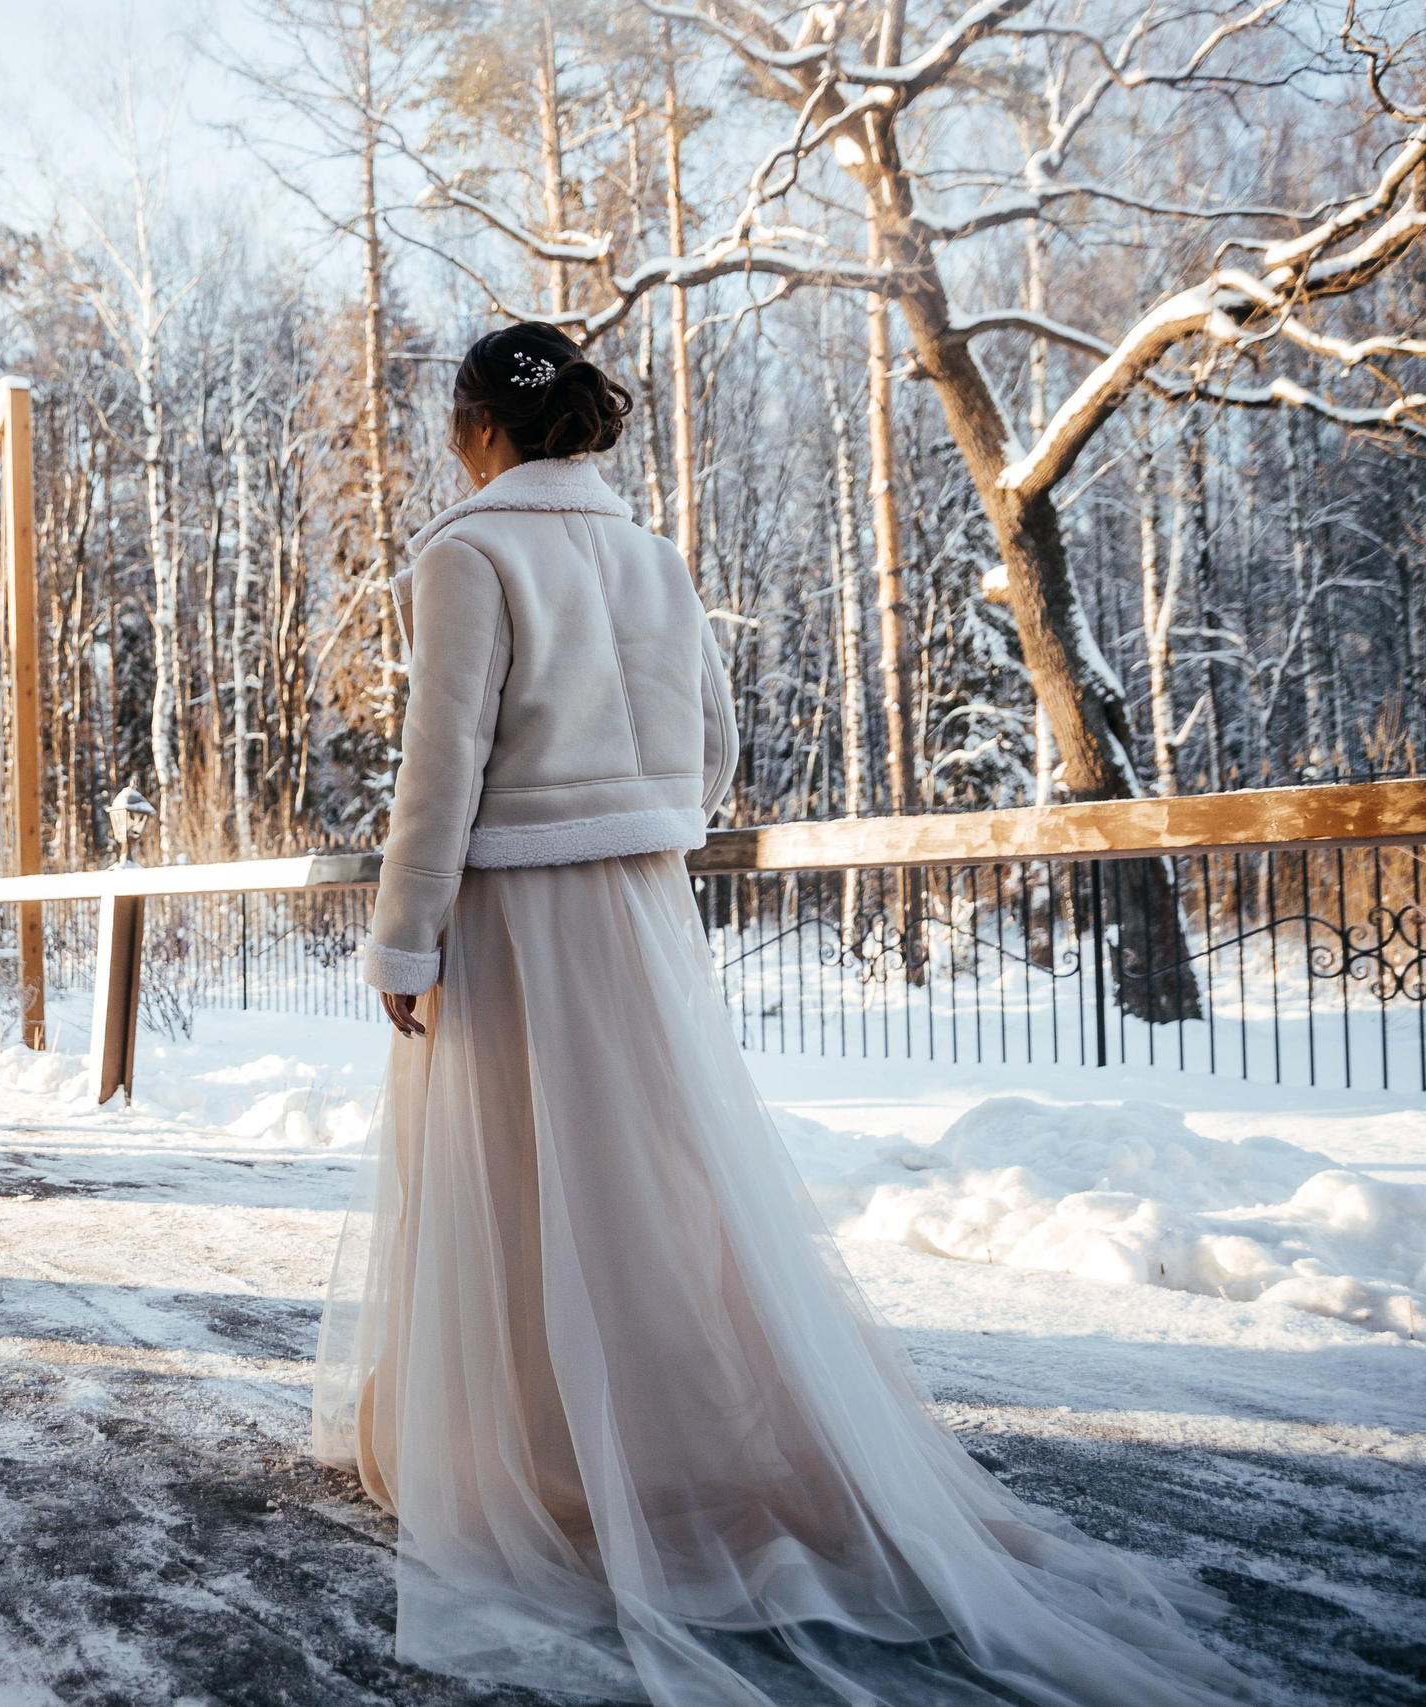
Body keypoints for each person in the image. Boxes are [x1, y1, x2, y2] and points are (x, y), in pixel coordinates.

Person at [314, 321, 1247, 1706]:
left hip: (517, 913)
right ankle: (672, 1442)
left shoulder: (465, 552)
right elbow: (711, 742)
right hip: (640, 903)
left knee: (515, 1173)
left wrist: (405, 933)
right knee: (652, 1177)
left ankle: (533, 1449)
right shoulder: (651, 557)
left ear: (476, 426)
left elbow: (439, 763)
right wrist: (643, 825)